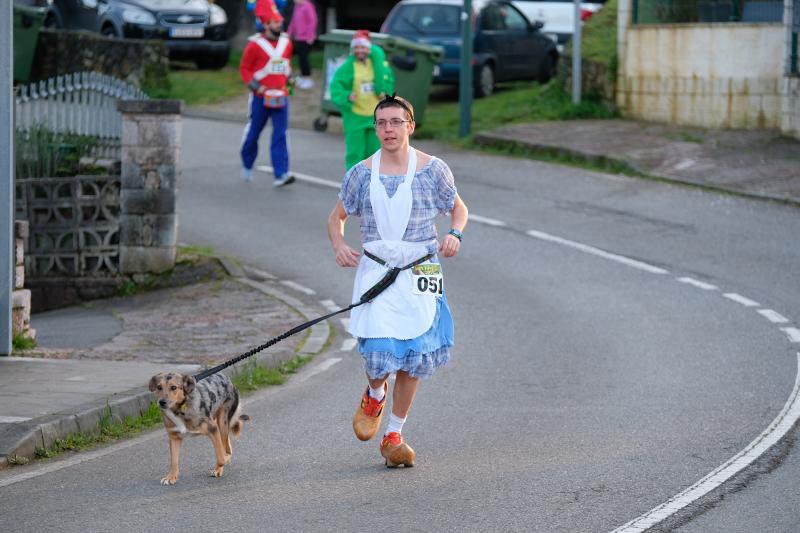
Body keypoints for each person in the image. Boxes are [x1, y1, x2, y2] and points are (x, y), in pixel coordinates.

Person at [327, 95, 469, 467]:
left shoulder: (433, 169)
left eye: (395, 122)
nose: (388, 129)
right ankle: (374, 393)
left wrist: (455, 233)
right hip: (377, 271)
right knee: (378, 354)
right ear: (375, 128)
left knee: (414, 356)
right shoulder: (361, 173)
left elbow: (458, 207)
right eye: (381, 123)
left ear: (410, 125)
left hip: (420, 271)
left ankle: (394, 433)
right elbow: (336, 216)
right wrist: (340, 244)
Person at [239, 0, 295, 187]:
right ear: (266, 24)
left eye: (280, 21)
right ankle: (247, 164)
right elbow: (245, 69)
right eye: (275, 22)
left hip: (281, 97)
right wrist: (257, 87)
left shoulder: (287, 43)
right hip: (260, 98)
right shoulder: (254, 45)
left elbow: (285, 66)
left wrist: (290, 83)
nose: (280, 24)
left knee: (280, 134)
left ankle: (281, 174)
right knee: (254, 133)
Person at [329, 30, 395, 170]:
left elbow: (388, 78)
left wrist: (386, 92)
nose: (360, 51)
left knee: (374, 153)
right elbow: (336, 87)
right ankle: (353, 185)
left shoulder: (377, 64)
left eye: (363, 47)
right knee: (355, 154)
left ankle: (373, 184)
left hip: (375, 117)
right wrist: (347, 95)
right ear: (353, 49)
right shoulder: (347, 67)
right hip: (355, 117)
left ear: (368, 48)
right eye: (357, 48)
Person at [287, 0, 318, 90]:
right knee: (300, 58)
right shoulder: (297, 7)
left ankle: (307, 78)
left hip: (306, 38)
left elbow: (312, 21)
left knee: (304, 58)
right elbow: (293, 21)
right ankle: (303, 77)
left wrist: (309, 36)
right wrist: (288, 33)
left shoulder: (308, 6)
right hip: (298, 37)